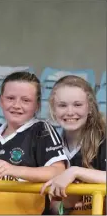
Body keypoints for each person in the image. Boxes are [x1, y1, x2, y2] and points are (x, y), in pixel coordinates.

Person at [0, 71, 69, 214]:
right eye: (10, 98)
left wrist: (14, 170)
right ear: (0, 100)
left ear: (37, 105)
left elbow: (59, 171)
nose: (16, 105)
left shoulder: (41, 130)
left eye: (26, 100)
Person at [40, 75, 106, 215]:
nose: (70, 112)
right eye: (62, 105)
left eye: (77, 104)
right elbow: (54, 210)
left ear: (90, 107)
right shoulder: (46, 143)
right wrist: (67, 205)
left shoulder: (104, 139)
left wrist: (75, 171)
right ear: (53, 109)